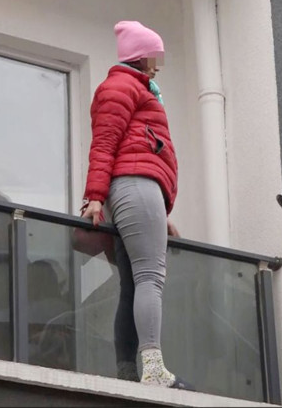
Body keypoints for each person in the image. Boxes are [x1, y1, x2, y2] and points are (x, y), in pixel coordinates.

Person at [81, 20, 190, 389]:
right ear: (141, 58)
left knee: (132, 284)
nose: (157, 65)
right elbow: (105, 144)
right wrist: (94, 196)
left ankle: (129, 372)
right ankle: (155, 370)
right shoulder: (121, 86)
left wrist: (162, 213)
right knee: (149, 278)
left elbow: (137, 148)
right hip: (134, 187)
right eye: (154, 57)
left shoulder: (132, 88)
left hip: (139, 193)